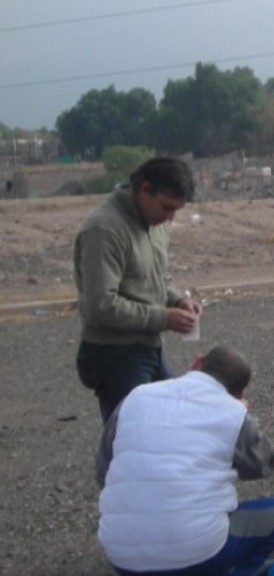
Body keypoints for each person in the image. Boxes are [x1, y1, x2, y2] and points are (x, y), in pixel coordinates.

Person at [95, 346, 274, 576]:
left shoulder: (136, 397)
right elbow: (264, 465)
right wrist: (243, 418)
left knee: (142, 510)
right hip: (199, 552)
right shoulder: (232, 412)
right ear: (239, 392)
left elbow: (104, 469)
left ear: (196, 363)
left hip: (120, 554)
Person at [74, 157, 202, 423]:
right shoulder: (104, 229)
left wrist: (177, 300)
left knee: (171, 426)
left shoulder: (156, 223)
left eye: (176, 210)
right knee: (128, 441)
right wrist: (164, 318)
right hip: (113, 354)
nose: (170, 218)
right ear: (144, 189)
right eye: (166, 207)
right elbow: (101, 306)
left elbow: (156, 276)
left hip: (147, 348)